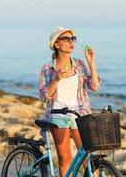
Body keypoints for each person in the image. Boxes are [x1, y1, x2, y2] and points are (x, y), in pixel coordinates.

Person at [39, 26, 101, 177]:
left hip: (80, 114)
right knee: (65, 158)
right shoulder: (47, 68)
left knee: (87, 157)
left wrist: (91, 63)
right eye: (66, 39)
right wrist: (57, 79)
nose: (71, 42)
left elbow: (94, 86)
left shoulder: (79, 64)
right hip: (57, 115)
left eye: (72, 39)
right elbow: (44, 96)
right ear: (57, 44)